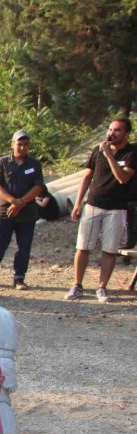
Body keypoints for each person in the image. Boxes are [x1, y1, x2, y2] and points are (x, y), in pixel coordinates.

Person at [65, 117, 136, 302]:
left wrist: (109, 155)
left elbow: (123, 178)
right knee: (83, 246)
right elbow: (87, 177)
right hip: (93, 204)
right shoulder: (98, 150)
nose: (112, 133)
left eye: (117, 130)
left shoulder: (132, 153)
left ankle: (102, 287)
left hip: (117, 208)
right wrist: (79, 202)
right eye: (111, 129)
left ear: (126, 134)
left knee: (109, 250)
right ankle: (77, 285)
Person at [0, 131, 45, 290]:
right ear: (13, 144)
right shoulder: (2, 163)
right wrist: (13, 201)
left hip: (27, 213)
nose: (22, 147)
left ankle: (19, 278)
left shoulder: (34, 164)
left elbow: (38, 187)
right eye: (19, 144)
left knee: (24, 247)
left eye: (26, 144)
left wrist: (21, 203)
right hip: (4, 212)